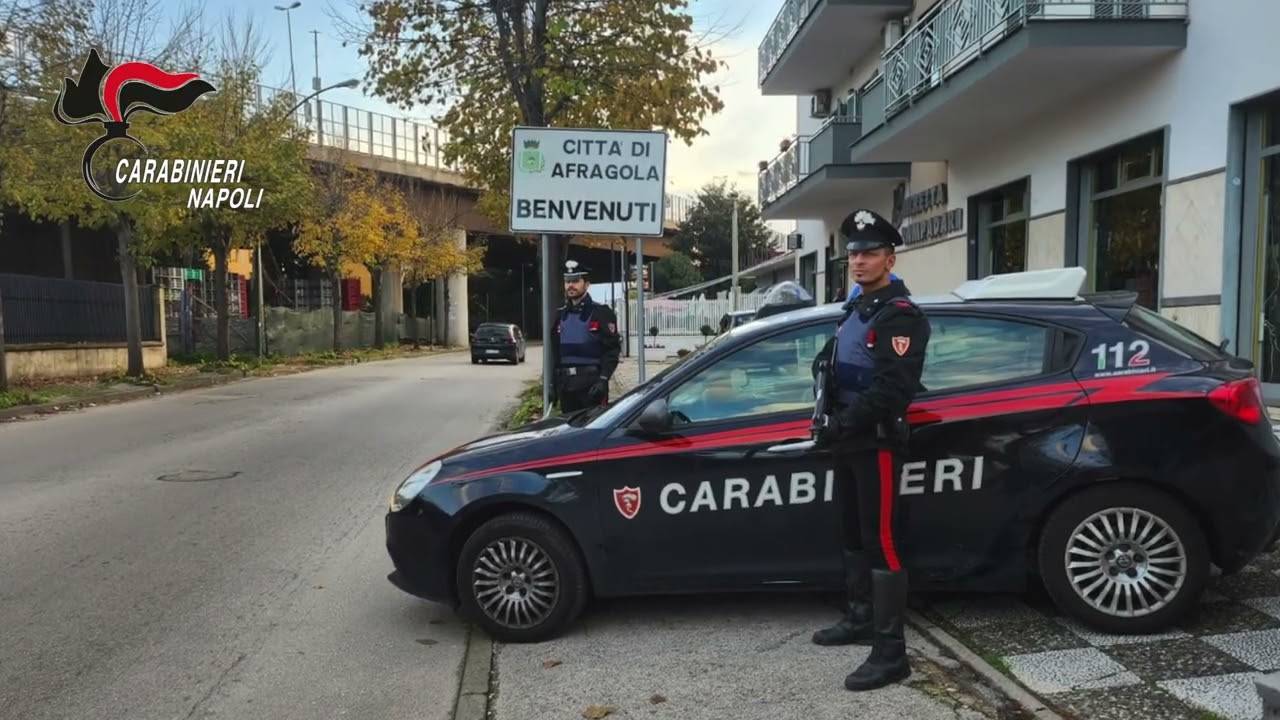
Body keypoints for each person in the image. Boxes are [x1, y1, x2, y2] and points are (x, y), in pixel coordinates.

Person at [811, 208, 930, 692]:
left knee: (882, 541)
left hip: (874, 441)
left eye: (870, 253)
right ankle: (860, 619)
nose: (858, 261)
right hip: (847, 439)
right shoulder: (857, 308)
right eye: (854, 253)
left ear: (890, 258)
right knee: (852, 533)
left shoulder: (900, 316)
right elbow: (842, 365)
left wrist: (842, 424)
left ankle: (891, 652)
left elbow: (892, 390)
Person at [554, 260, 621, 412]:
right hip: (566, 387)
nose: (570, 285)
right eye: (567, 281)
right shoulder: (560, 315)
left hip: (592, 386)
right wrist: (552, 384)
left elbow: (612, 350)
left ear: (587, 284)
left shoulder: (601, 313)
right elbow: (554, 353)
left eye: (576, 281)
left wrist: (604, 379)